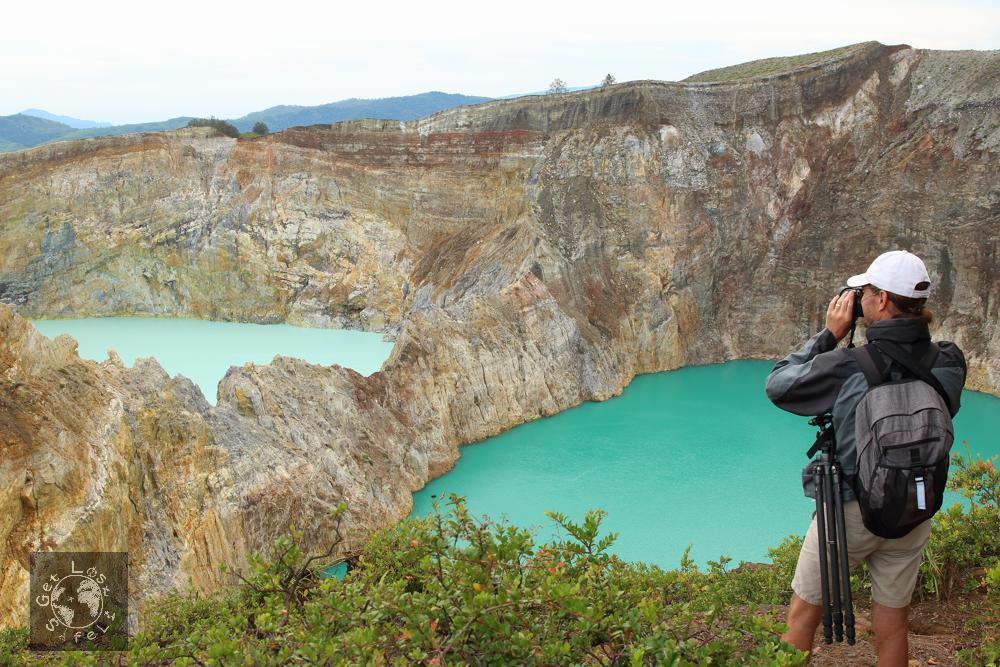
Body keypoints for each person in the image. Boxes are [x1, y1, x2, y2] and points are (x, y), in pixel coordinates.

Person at [765, 250, 967, 665]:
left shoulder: (848, 365)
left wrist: (829, 335)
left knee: (803, 616)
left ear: (880, 301)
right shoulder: (947, 360)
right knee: (892, 624)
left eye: (867, 292)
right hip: (913, 507)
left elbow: (779, 385)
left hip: (849, 511)